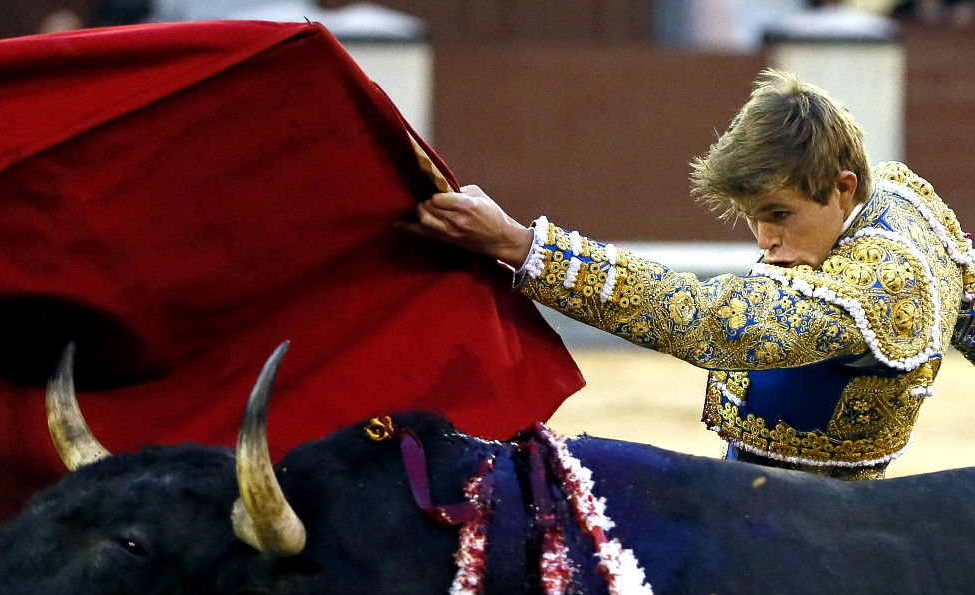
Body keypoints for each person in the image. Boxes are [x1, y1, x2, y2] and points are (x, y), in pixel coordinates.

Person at [401, 68, 975, 479]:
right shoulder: (895, 194)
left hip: (815, 529)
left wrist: (520, 244)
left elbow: (713, 323)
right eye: (754, 219)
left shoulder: (885, 284)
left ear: (843, 186)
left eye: (779, 215)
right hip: (762, 493)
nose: (767, 241)